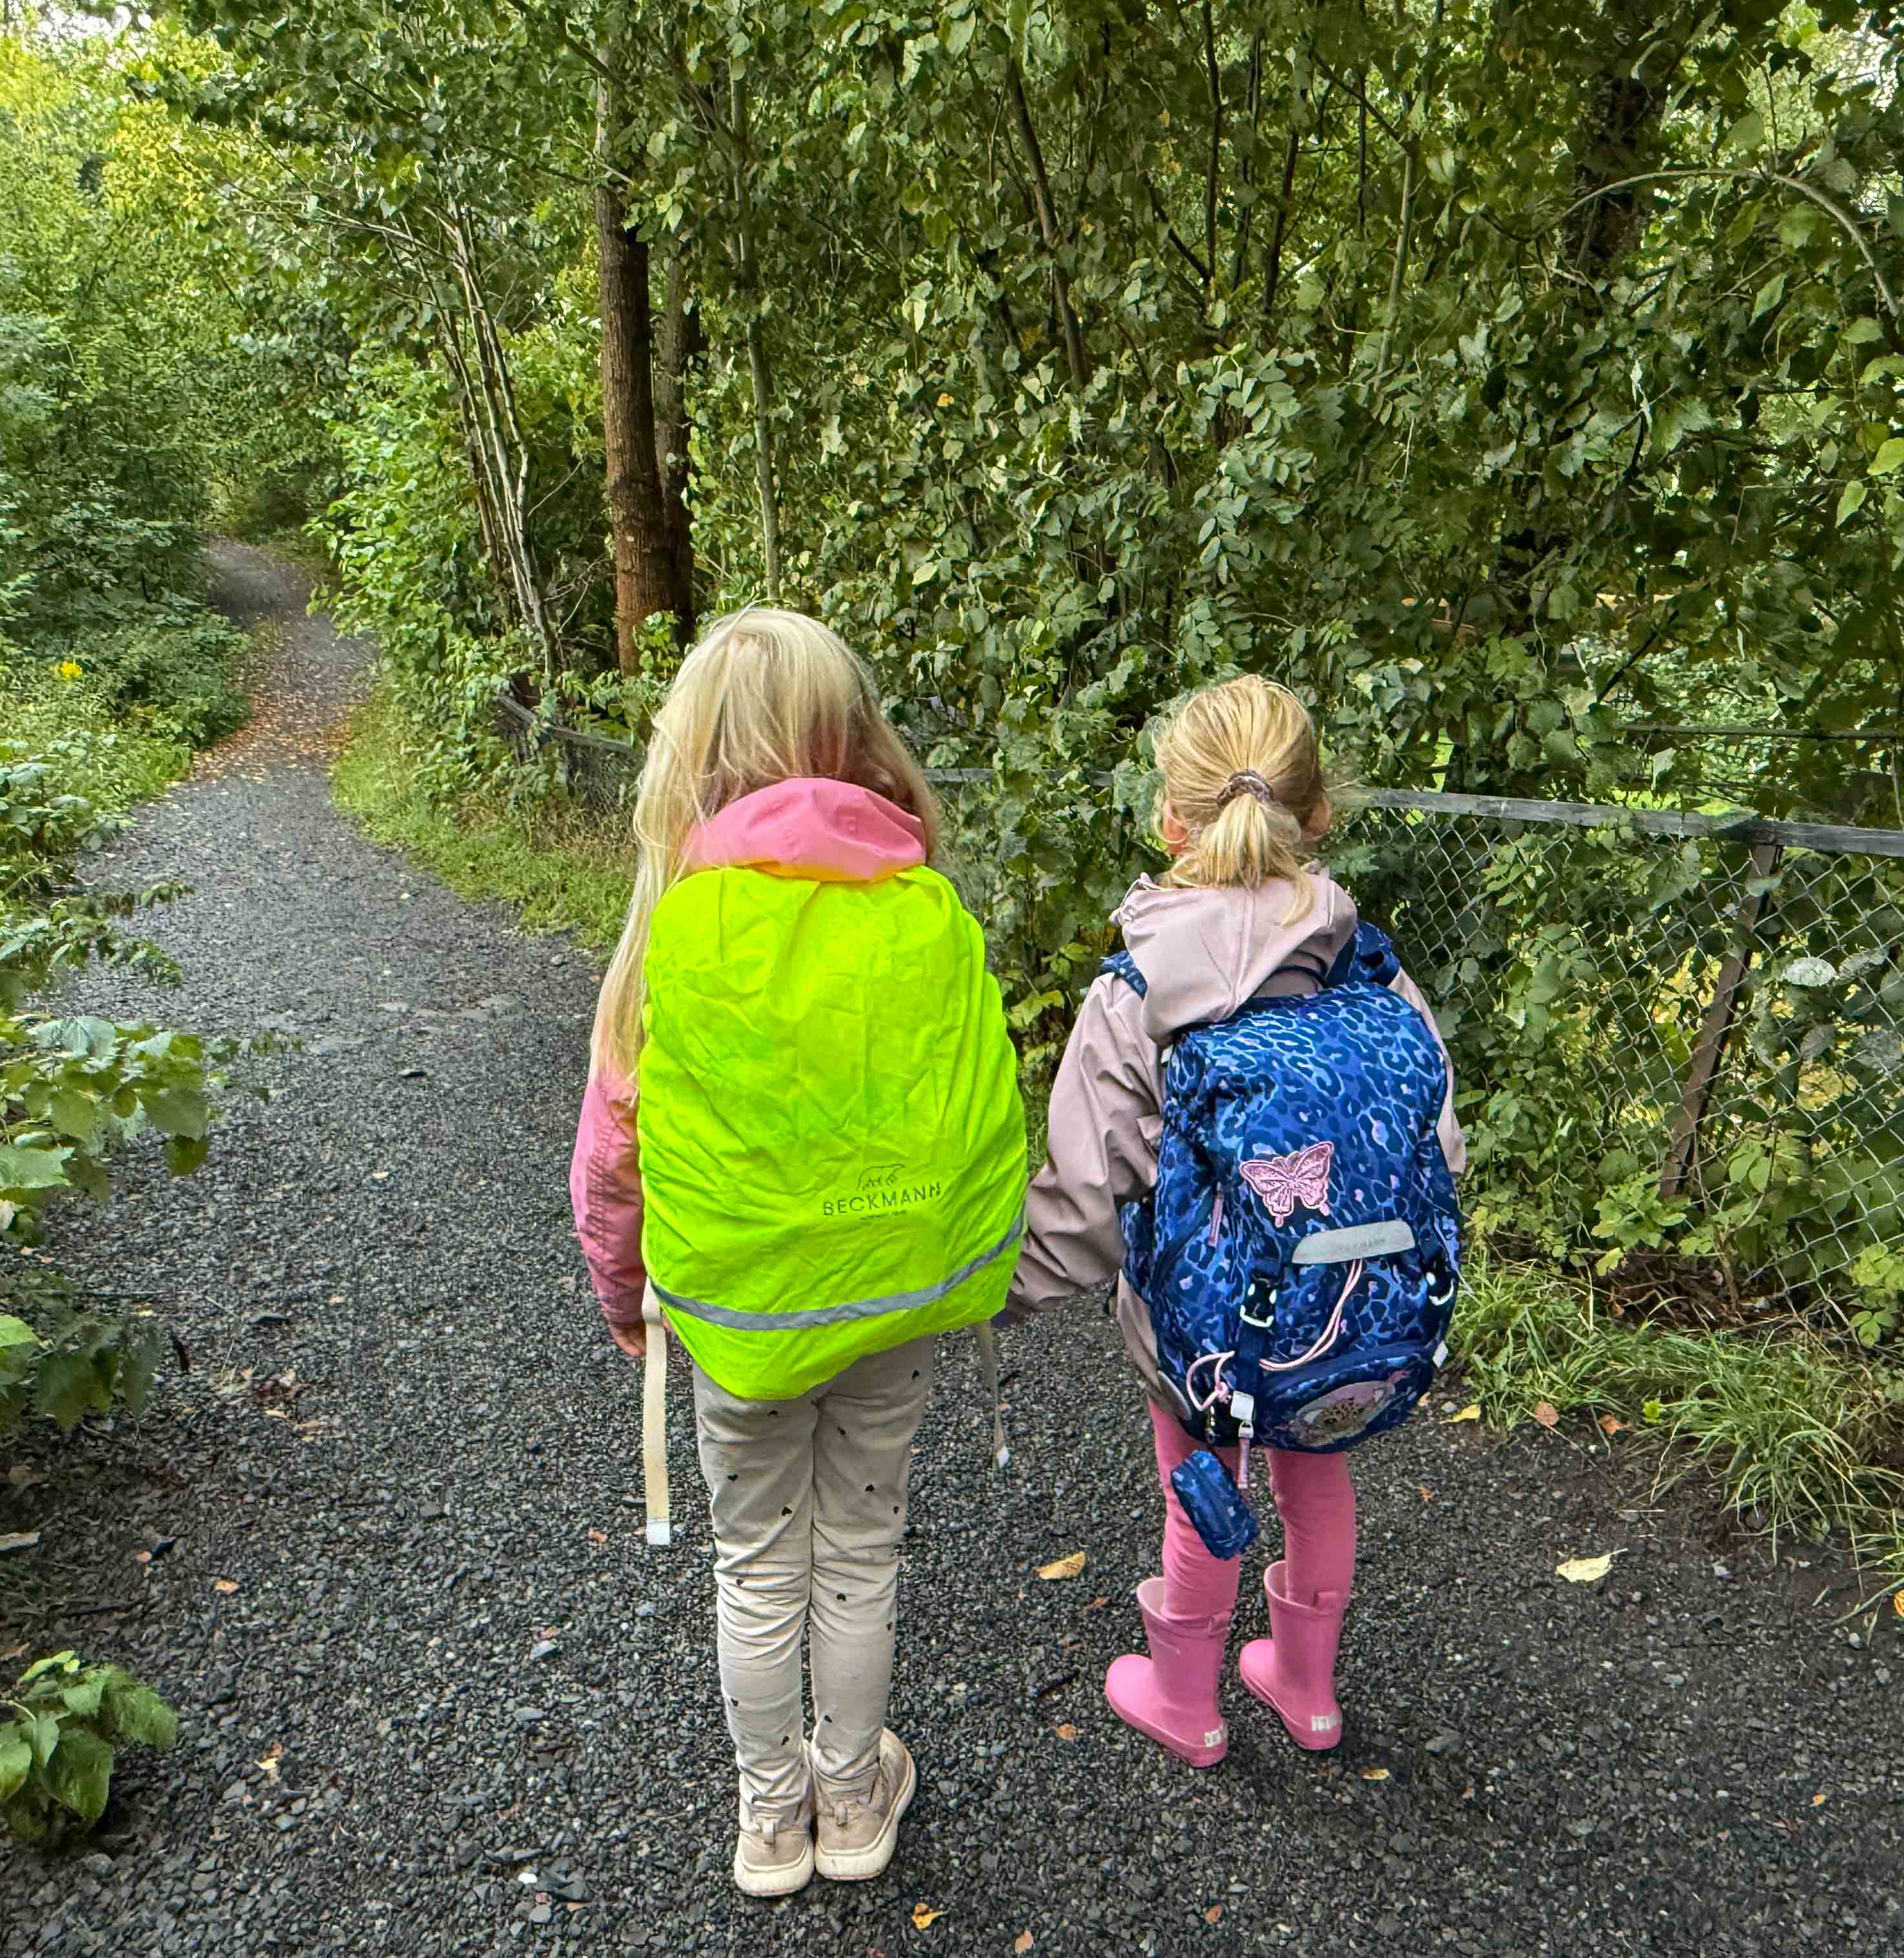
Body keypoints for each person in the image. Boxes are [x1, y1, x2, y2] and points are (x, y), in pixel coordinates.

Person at [569, 609, 1026, 1896]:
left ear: (695, 756)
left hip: (743, 1321)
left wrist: (625, 1296)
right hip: (891, 1298)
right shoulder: (922, 909)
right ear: (850, 741)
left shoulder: (679, 928)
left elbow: (614, 1156)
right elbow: (977, 1103)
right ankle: (854, 1793)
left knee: (757, 1559)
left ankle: (773, 1821)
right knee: (862, 1550)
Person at [1006, 674, 1464, 1766]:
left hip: (1204, 1330)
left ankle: (1188, 1702)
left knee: (1202, 1481)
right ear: (1320, 818)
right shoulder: (1368, 970)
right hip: (1355, 1313)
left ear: (1170, 820)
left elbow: (1083, 1204)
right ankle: (1306, 1690)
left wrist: (990, 1295)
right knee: (1319, 1472)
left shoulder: (1137, 993)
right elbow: (1437, 1151)